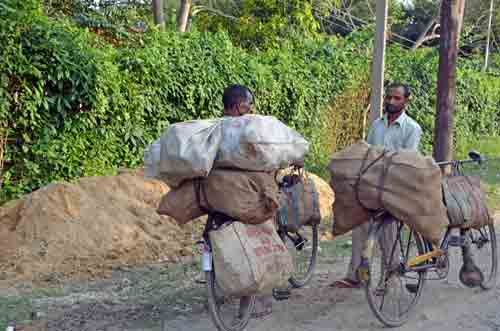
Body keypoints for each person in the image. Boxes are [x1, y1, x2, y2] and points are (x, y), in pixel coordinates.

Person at [331, 82, 422, 289]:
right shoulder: (377, 125)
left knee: (388, 229)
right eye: (388, 97)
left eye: (396, 98)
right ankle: (357, 276)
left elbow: (407, 162)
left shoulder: (412, 128)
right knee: (360, 224)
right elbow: (368, 154)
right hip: (372, 185)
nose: (390, 101)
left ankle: (390, 277)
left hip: (395, 186)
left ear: (406, 101)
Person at [222, 84, 274, 319]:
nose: (250, 108)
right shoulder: (248, 130)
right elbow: (262, 156)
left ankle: (218, 290)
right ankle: (258, 300)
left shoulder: (213, 129)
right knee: (262, 233)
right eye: (247, 104)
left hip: (218, 196)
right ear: (237, 106)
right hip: (243, 196)